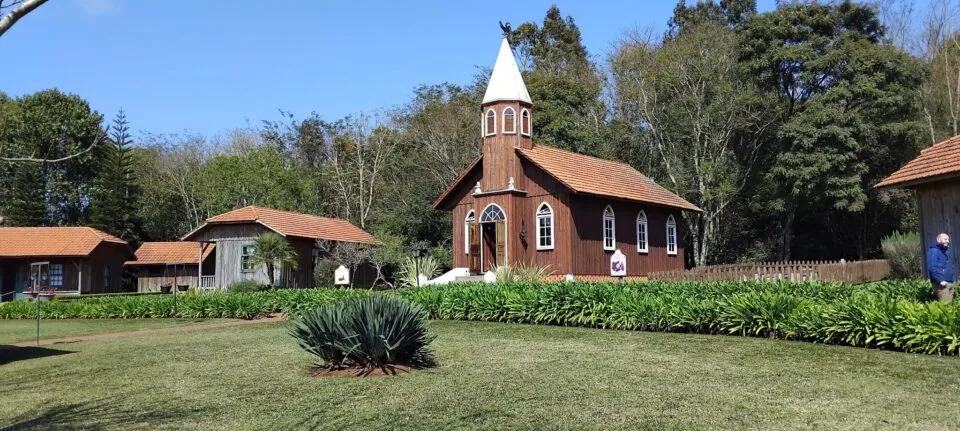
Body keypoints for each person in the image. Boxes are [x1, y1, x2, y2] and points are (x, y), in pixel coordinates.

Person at [926, 233, 954, 302]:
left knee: (949, 305)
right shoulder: (934, 250)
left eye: (948, 239)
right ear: (938, 240)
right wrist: (940, 280)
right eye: (945, 239)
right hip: (942, 284)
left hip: (948, 283)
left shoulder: (943, 251)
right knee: (946, 305)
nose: (948, 241)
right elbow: (932, 266)